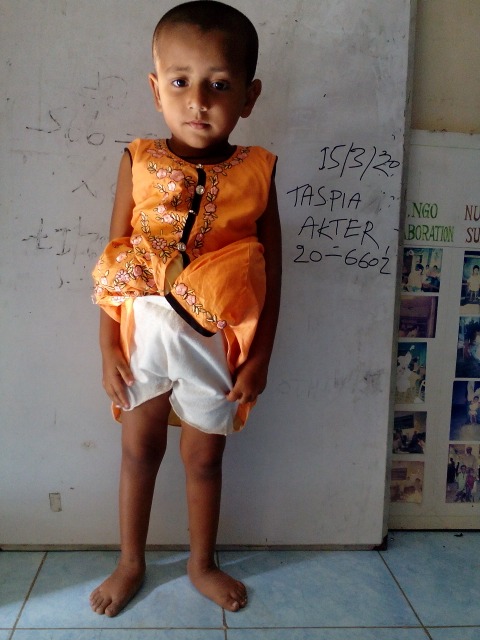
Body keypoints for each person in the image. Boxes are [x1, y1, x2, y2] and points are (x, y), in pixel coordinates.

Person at [90, 0, 281, 617]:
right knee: (138, 450)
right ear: (156, 90)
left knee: (204, 458)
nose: (197, 100)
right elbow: (116, 260)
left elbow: (271, 273)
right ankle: (131, 561)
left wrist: (260, 358)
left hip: (214, 342)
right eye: (180, 82)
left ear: (248, 96)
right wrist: (107, 346)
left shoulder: (259, 171)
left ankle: (202, 563)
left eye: (218, 85)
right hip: (143, 334)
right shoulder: (138, 160)